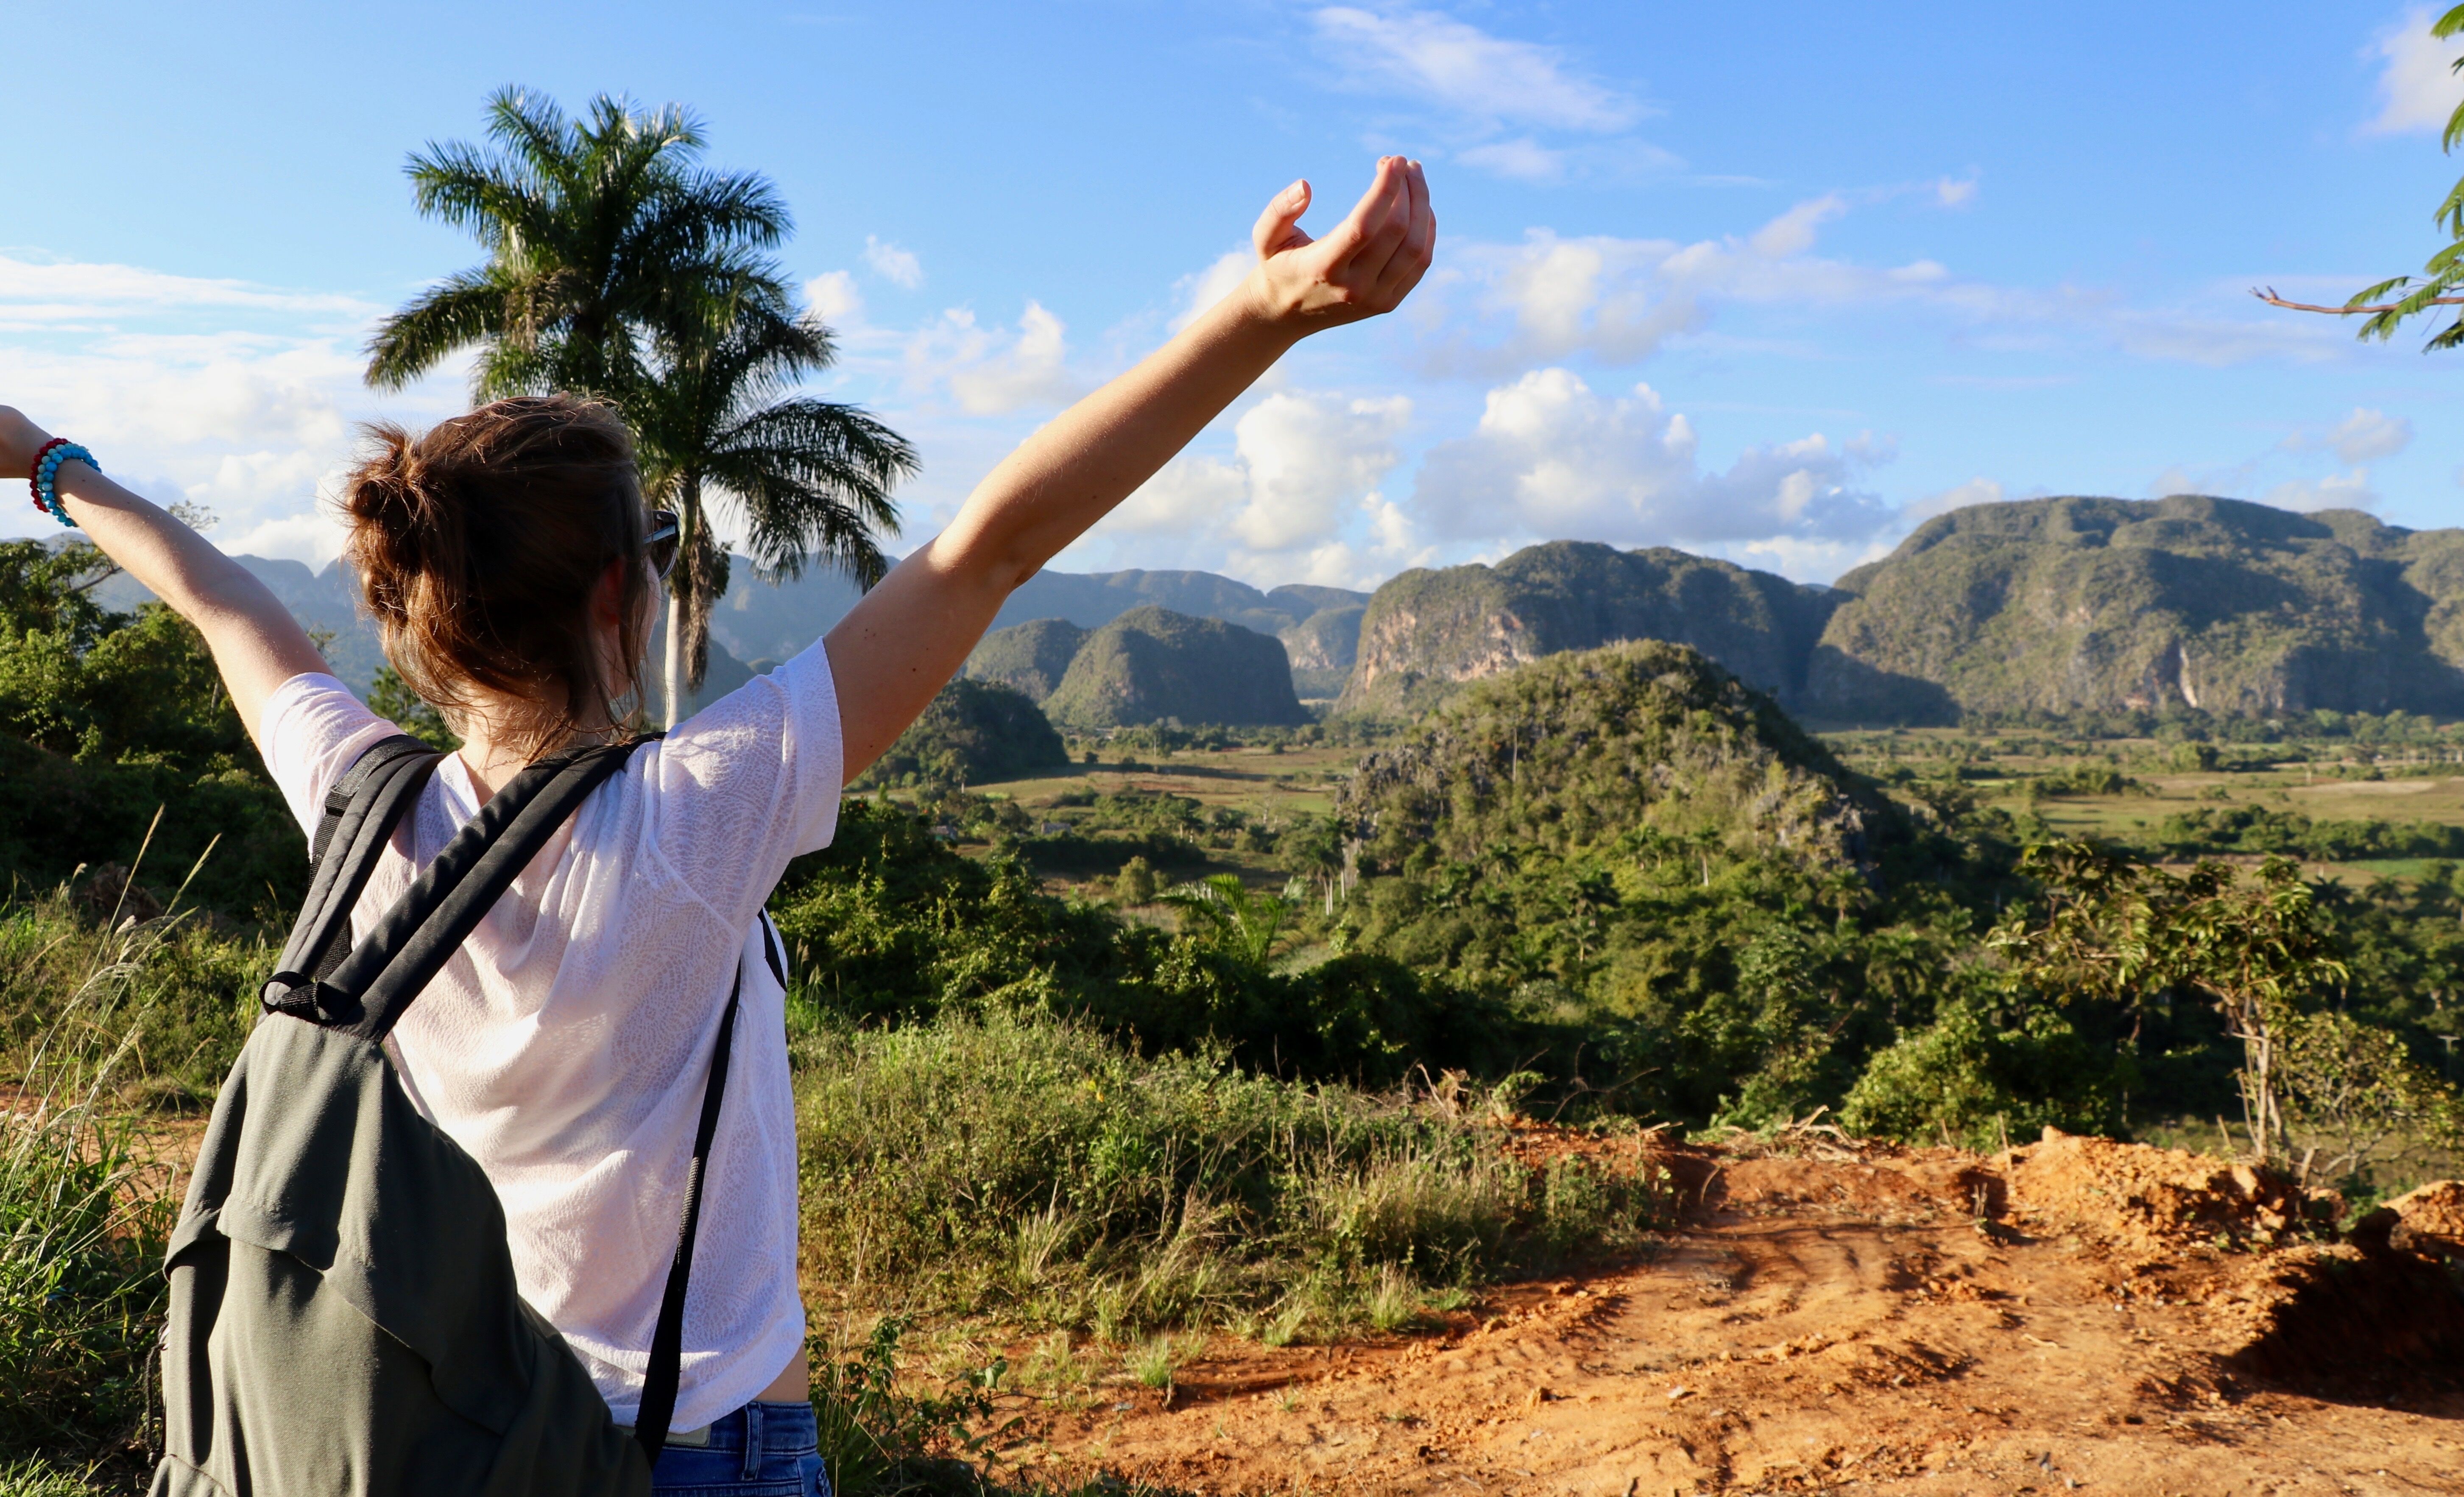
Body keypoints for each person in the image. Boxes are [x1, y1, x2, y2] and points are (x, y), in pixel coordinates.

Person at [0, 157, 1432, 1495]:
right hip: (690, 1446)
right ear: (621, 601)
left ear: (407, 611)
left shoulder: (353, 801)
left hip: (458, 1425)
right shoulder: (699, 814)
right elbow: (990, 541)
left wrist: (51, 462)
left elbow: (217, 600)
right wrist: (1259, 317)